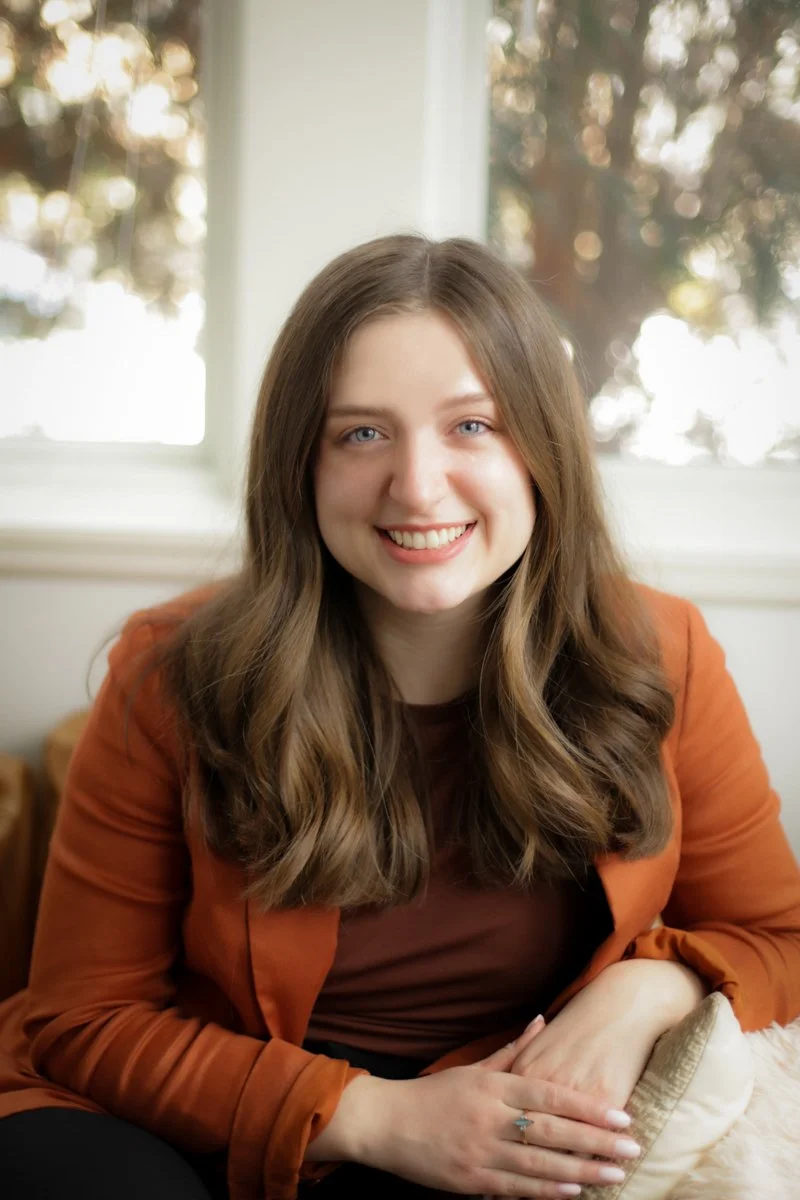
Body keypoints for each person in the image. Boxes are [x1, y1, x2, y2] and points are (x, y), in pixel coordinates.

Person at [1, 235, 799, 1200]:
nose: (419, 487)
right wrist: (374, 1118)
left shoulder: (657, 653)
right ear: (302, 462)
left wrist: (654, 985)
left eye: (473, 426)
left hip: (470, 1116)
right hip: (168, 1115)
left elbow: (781, 937)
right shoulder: (171, 669)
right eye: (362, 434)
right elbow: (85, 1019)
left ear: (542, 449)